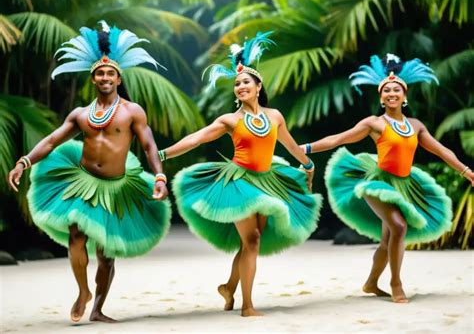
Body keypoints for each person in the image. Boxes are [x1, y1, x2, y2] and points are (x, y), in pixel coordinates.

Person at [7, 21, 171, 322]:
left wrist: (159, 176)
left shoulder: (132, 112)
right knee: (76, 237)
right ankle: (83, 291)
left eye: (110, 73)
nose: (105, 77)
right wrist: (24, 161)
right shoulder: (81, 114)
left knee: (106, 256)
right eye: (100, 73)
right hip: (82, 183)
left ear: (118, 78)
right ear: (93, 78)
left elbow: (149, 146)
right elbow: (52, 139)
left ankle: (97, 308)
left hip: (116, 188)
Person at [159, 32, 322, 316]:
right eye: (236, 84)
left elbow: (291, 146)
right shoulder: (230, 120)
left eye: (245, 82)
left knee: (251, 242)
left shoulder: (275, 117)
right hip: (237, 183)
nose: (240, 86)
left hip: (268, 181)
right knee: (252, 241)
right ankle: (247, 306)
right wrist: (161, 154)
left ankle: (229, 287)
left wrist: (307, 165)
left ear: (258, 86)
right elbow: (195, 139)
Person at [301, 54, 473, 303]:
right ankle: (396, 282)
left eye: (397, 90)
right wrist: (304, 149)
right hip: (378, 182)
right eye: (387, 90)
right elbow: (338, 139)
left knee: (386, 240)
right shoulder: (375, 123)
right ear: (381, 97)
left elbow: (441, 150)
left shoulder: (415, 125)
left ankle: (371, 282)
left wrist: (466, 171)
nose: (392, 93)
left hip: (405, 185)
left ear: (404, 96)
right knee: (399, 226)